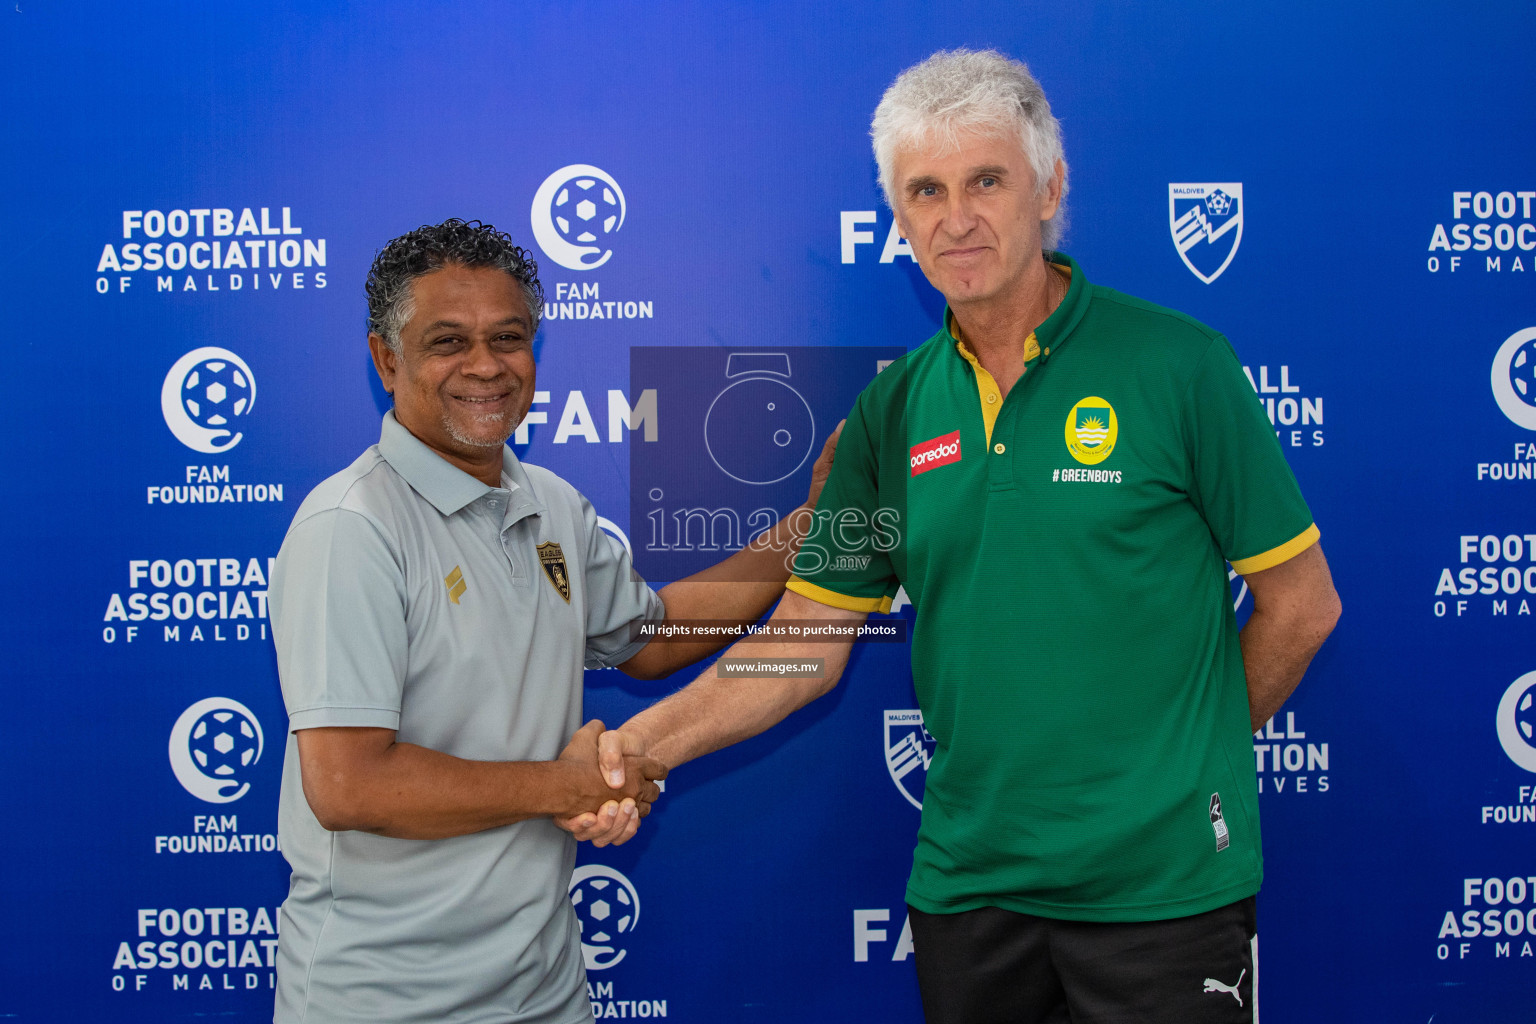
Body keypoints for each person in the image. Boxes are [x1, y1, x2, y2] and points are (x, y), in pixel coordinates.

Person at [574, 50, 1342, 1022]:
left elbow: (1303, 606)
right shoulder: (889, 414)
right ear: (898, 216)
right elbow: (801, 647)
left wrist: (1191, 760)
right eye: (924, 191)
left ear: (1050, 186)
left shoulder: (1179, 366)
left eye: (986, 180)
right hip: (970, 892)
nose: (956, 216)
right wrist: (635, 749)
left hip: (1165, 893)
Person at [268, 218, 835, 1024]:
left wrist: (814, 522)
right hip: (385, 1002)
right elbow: (349, 783)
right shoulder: (350, 529)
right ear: (386, 359)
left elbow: (654, 636)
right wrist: (561, 786)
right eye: (447, 342)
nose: (485, 366)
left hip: (546, 992)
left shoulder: (552, 505)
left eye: (509, 337)